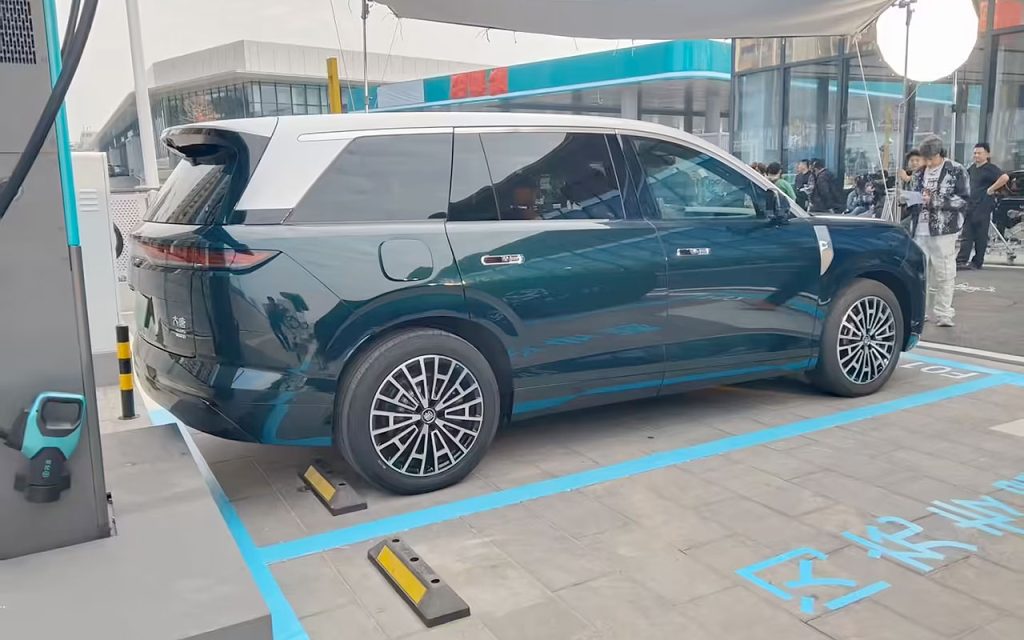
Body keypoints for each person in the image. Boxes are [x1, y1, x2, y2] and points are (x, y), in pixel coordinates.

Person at [907, 135, 969, 328]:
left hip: (944, 229)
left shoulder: (956, 170)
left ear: (939, 154)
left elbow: (964, 199)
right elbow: (913, 197)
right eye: (924, 158)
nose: (927, 162)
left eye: (930, 158)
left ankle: (944, 312)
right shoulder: (919, 173)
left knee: (944, 272)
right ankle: (920, 311)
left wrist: (935, 201)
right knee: (920, 273)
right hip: (920, 229)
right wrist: (908, 199)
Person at [957, 142, 1009, 270]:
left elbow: (1005, 177)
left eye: (979, 153)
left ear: (987, 154)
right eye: (975, 153)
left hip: (983, 205)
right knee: (967, 233)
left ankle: (977, 261)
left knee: (980, 234)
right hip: (970, 204)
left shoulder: (990, 168)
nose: (976, 155)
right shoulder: (972, 168)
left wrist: (991, 189)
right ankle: (961, 260)